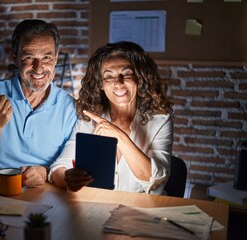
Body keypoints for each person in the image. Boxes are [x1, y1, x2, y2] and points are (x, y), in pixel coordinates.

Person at [48, 41, 174, 194]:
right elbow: (58, 168)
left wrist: (119, 136)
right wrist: (67, 178)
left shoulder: (160, 120)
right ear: (101, 84)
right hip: (98, 208)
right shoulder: (90, 119)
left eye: (126, 74)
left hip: (142, 212)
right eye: (109, 76)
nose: (118, 83)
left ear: (139, 79)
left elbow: (155, 180)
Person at [0, 19, 77, 187]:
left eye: (47, 57)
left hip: (44, 193)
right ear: (15, 58)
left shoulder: (69, 107)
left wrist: (45, 172)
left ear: (56, 58)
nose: (39, 68)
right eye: (29, 57)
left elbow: (68, 167)